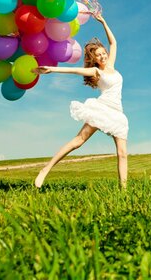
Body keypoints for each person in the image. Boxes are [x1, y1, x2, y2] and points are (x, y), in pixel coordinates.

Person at [32, 10, 128, 189]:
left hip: (118, 113)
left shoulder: (112, 65)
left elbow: (113, 42)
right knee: (78, 141)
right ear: (95, 60)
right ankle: (45, 170)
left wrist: (103, 21)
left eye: (103, 53)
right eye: (98, 55)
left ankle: (124, 191)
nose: (103, 56)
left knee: (122, 153)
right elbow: (74, 71)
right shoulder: (96, 71)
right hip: (102, 109)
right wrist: (52, 69)